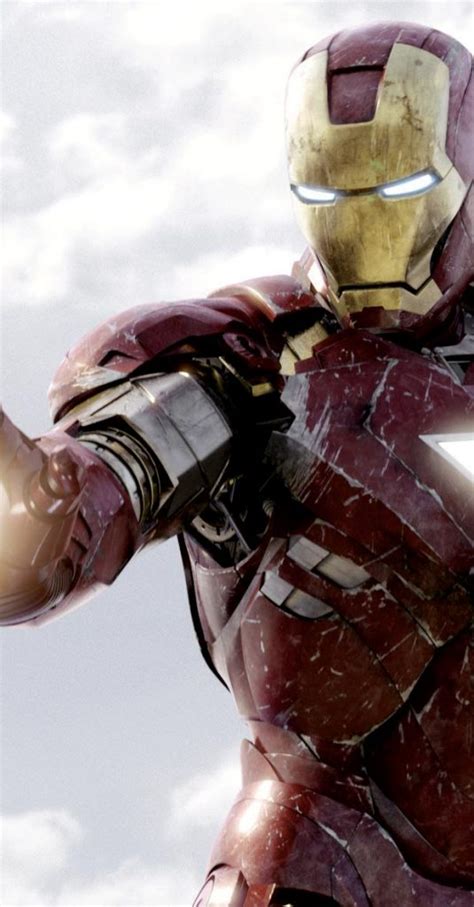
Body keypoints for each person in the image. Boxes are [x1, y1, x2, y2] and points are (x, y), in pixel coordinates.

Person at [1, 21, 473, 907]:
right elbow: (94, 493)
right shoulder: (253, 366)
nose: (369, 226)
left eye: (403, 189)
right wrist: (48, 503)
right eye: (331, 195)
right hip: (324, 853)